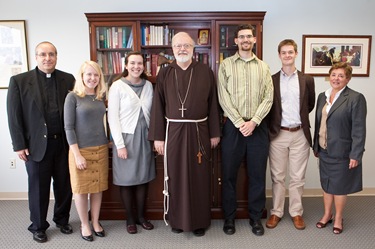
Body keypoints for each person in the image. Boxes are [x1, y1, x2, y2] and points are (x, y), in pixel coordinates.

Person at [148, 32, 221, 237]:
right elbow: (158, 107)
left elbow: (213, 104)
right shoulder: (165, 73)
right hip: (173, 132)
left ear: (193, 48)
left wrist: (215, 133)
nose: (182, 49)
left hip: (200, 130)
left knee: (199, 177)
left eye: (186, 46)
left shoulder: (205, 71)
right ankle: (177, 220)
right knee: (176, 176)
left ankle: (199, 222)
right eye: (178, 46)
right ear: (172, 49)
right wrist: (158, 137)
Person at [6, 41, 75, 243]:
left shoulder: (68, 79)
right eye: (43, 54)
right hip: (35, 146)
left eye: (51, 54)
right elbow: (14, 116)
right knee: (38, 188)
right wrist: (19, 145)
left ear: (56, 56)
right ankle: (38, 226)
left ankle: (62, 220)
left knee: (64, 186)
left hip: (62, 144)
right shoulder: (19, 81)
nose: (47, 58)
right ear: (36, 57)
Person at [217, 24, 273, 236]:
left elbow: (269, 97)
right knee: (229, 175)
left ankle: (255, 218)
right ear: (236, 41)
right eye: (241, 37)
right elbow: (223, 97)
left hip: (258, 127)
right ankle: (229, 219)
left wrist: (254, 121)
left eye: (249, 36)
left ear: (254, 40)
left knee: (257, 175)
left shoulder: (264, 67)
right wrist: (240, 122)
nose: (245, 40)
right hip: (233, 127)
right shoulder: (226, 66)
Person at [265, 39, 315, 230]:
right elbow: (269, 107)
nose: (287, 55)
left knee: (297, 177)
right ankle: (276, 212)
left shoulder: (307, 80)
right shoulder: (271, 79)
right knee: (278, 177)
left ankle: (296, 213)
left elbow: (309, 105)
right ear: (279, 55)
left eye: (290, 52)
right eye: (284, 52)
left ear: (296, 54)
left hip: (300, 134)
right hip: (278, 134)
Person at [313, 62, 366, 235]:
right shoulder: (323, 96)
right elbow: (318, 122)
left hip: (343, 152)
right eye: (334, 74)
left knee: (340, 187)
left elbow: (359, 129)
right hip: (324, 149)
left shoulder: (355, 98)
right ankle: (327, 214)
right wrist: (316, 145)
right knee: (327, 185)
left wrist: (355, 154)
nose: (336, 78)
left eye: (341, 76)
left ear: (348, 79)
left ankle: (338, 218)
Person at [108, 51, 156, 235]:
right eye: (133, 63)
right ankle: (130, 218)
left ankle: (141, 217)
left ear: (144, 66)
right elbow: (112, 118)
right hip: (125, 139)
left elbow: (152, 115)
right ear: (126, 65)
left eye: (140, 63)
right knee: (126, 181)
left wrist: (153, 139)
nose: (136, 66)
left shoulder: (148, 86)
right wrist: (119, 144)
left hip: (144, 138)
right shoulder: (117, 86)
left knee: (143, 179)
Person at [64, 61, 108, 242]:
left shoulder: (100, 97)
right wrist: (77, 154)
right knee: (81, 190)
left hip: (101, 148)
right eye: (88, 74)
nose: (92, 78)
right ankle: (84, 224)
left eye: (96, 75)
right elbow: (68, 128)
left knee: (98, 189)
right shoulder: (73, 97)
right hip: (80, 150)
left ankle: (95, 221)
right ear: (81, 76)